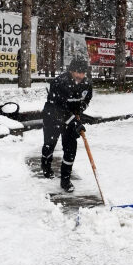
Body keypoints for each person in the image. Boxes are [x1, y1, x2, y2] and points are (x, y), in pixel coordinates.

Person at [40, 58, 93, 192]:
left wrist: (79, 111)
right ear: (71, 71)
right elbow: (58, 108)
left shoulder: (86, 84)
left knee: (70, 149)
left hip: (71, 119)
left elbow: (86, 100)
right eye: (77, 72)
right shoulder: (59, 82)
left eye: (83, 72)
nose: (80, 75)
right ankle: (46, 165)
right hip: (53, 117)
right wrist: (74, 120)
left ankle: (65, 180)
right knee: (49, 144)